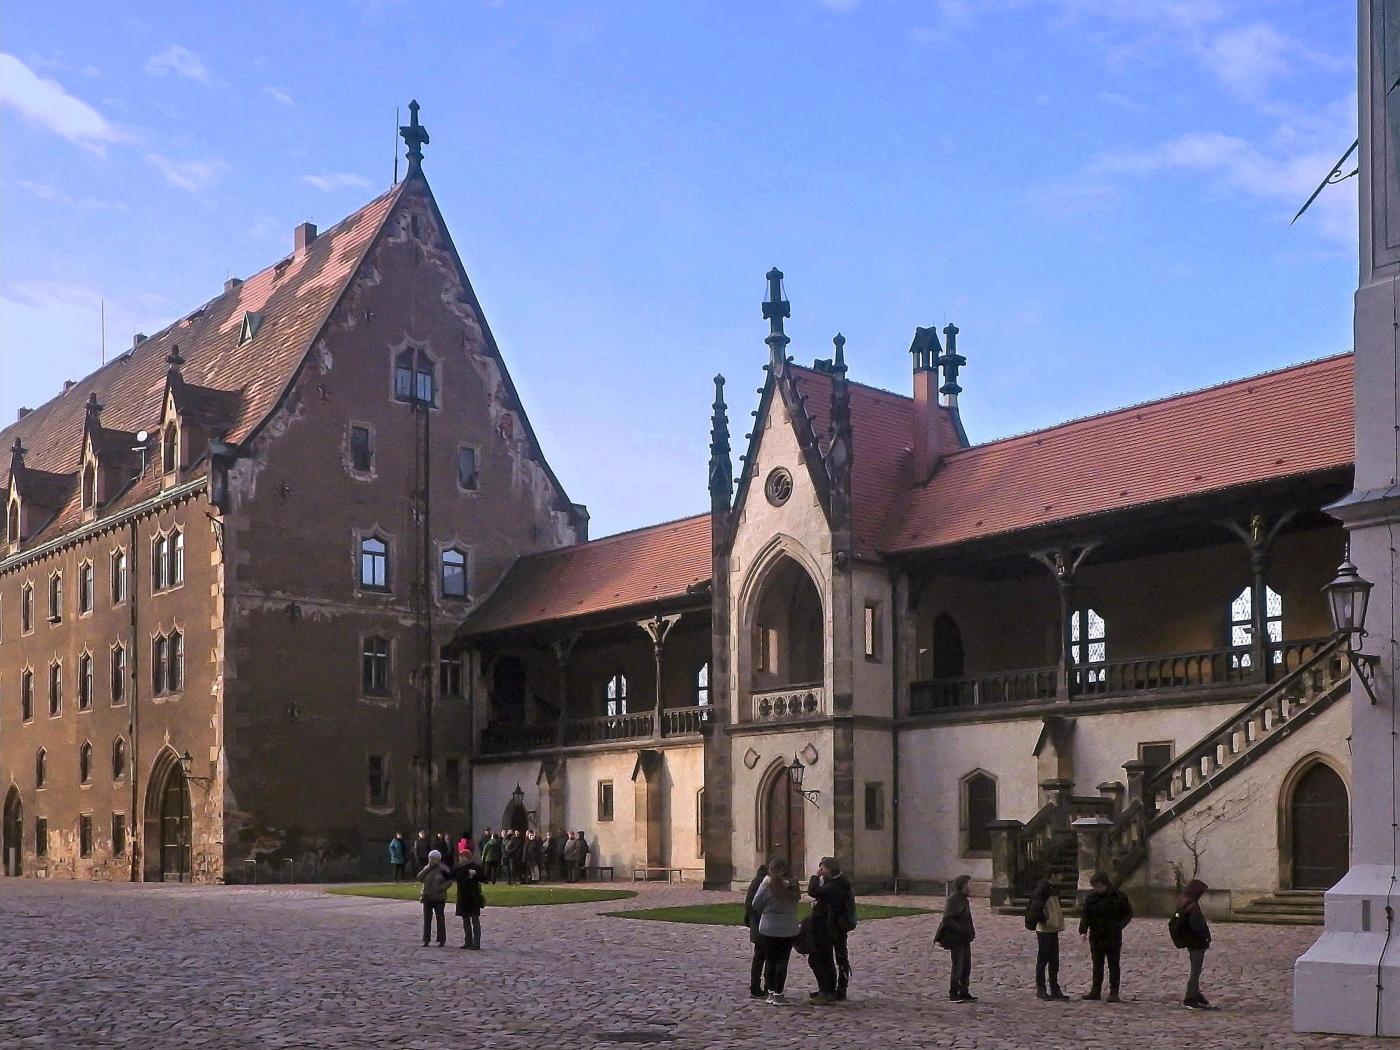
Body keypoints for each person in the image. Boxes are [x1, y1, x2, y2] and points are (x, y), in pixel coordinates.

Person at [749, 858, 801, 1005]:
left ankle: (771, 992)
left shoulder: (766, 884)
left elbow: (755, 903)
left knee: (770, 961)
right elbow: (796, 900)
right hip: (787, 926)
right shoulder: (793, 884)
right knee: (782, 961)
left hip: (769, 926)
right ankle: (778, 992)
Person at [806, 856, 856, 1003]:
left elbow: (813, 891)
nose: (821, 870)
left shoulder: (836, 885)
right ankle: (831, 989)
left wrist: (815, 876)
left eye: (823, 868)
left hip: (833, 927)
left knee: (825, 958)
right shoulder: (837, 882)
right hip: (833, 925)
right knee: (831, 957)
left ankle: (833, 990)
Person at [1079, 870, 1134, 1002]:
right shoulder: (1091, 898)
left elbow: (1128, 913)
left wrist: (1119, 925)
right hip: (1096, 935)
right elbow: (1085, 915)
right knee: (1097, 964)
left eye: (1098, 886)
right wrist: (1083, 930)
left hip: (1112, 935)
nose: (1096, 889)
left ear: (1105, 884)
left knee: (1113, 964)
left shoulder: (1118, 896)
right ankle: (1095, 990)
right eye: (1095, 887)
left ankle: (1114, 992)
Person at [935, 874, 977, 1003]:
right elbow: (947, 919)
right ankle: (953, 993)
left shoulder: (964, 899)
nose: (970, 887)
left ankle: (964, 991)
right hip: (957, 939)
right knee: (958, 966)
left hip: (965, 938)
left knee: (966, 966)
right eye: (968, 884)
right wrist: (960, 929)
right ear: (962, 886)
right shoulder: (954, 900)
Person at [1025, 877, 1068, 1001]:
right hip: (1044, 930)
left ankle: (1055, 988)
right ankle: (1041, 988)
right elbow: (1035, 909)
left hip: (1053, 929)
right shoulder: (1042, 890)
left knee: (1054, 960)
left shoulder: (1052, 889)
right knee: (1043, 960)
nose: (1061, 877)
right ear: (1053, 875)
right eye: (1059, 875)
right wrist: (1045, 920)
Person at [1176, 878, 1214, 1010]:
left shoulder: (1183, 901)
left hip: (1190, 941)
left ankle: (1196, 994)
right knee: (1195, 971)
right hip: (1196, 942)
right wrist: (1205, 938)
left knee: (1195, 969)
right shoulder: (1192, 906)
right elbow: (1196, 926)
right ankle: (1189, 998)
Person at [743, 864, 770, 999]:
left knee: (760, 957)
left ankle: (758, 986)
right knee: (764, 957)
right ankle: (762, 986)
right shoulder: (763, 882)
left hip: (758, 924)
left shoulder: (757, 881)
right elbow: (752, 905)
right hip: (762, 924)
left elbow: (748, 904)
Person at [416, 849, 452, 947]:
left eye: (434, 859)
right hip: (427, 896)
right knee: (427, 919)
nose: (432, 860)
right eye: (430, 858)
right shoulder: (427, 868)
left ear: (438, 859)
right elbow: (419, 877)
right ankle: (426, 939)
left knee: (440, 919)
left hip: (439, 898)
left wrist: (440, 888)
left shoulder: (443, 869)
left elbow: (449, 881)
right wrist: (427, 868)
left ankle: (441, 939)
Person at [449, 855, 486, 950]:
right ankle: (468, 941)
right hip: (463, 897)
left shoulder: (475, 867)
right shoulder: (459, 868)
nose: (461, 858)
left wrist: (475, 874)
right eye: (460, 856)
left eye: (463, 856)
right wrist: (466, 873)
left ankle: (476, 943)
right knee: (466, 921)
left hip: (474, 897)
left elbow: (484, 878)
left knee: (475, 920)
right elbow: (453, 875)